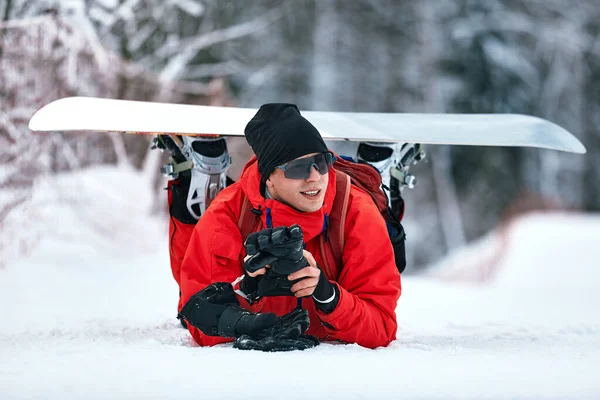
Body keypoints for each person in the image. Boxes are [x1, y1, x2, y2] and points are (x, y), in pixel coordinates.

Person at [163, 103, 402, 351]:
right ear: (269, 179)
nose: (314, 176)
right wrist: (247, 293)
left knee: (384, 230)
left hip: (352, 231)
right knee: (187, 292)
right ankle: (200, 181)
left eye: (321, 162)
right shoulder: (228, 213)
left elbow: (381, 327)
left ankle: (380, 176)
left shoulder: (355, 212)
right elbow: (197, 316)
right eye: (297, 168)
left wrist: (328, 295)